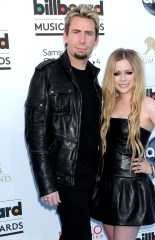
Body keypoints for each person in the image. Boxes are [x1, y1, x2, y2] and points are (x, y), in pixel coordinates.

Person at [91, 48, 155, 240]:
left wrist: (154, 167)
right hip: (106, 185)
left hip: (131, 187)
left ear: (137, 74)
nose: (123, 79)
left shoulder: (147, 105)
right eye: (117, 73)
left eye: (128, 72)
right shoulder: (107, 103)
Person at [25, 4, 102, 240]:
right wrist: (47, 184)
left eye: (88, 33)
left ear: (96, 40)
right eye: (76, 32)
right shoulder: (46, 74)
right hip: (67, 178)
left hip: (96, 176)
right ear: (65, 36)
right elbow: (35, 133)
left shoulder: (96, 79)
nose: (82, 39)